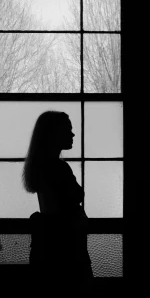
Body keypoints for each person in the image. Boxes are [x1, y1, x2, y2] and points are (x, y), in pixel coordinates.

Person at [22, 110, 93, 288]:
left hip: (48, 248)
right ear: (53, 134)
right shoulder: (58, 168)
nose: (72, 134)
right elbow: (72, 201)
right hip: (66, 250)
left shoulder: (41, 166)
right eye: (67, 129)